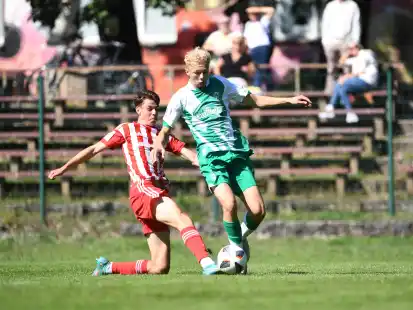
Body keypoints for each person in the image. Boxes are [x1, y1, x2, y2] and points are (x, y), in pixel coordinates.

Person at [152, 47, 311, 273]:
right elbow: (165, 130)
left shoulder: (221, 84)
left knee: (258, 210)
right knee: (229, 204)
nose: (201, 77)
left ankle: (239, 238)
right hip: (211, 159)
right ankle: (236, 248)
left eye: (204, 72)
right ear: (187, 71)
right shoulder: (181, 98)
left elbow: (254, 100)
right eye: (196, 72)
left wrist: (289, 100)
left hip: (236, 154)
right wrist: (158, 145)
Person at [48, 90, 221, 276]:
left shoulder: (161, 136)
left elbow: (192, 156)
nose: (154, 113)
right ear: (138, 110)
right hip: (143, 190)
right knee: (182, 219)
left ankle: (108, 267)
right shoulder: (126, 129)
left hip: (156, 192)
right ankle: (207, 263)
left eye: (156, 109)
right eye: (150, 109)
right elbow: (94, 149)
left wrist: (214, 165)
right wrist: (65, 168)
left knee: (159, 267)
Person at [319, 43, 378, 123]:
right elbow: (341, 63)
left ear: (357, 47)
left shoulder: (365, 54)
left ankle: (332, 108)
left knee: (341, 82)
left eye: (351, 48)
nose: (350, 50)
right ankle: (348, 113)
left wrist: (345, 77)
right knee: (341, 87)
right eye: (349, 49)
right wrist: (347, 53)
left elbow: (359, 72)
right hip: (358, 82)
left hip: (367, 82)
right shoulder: (356, 58)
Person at [321, 0, 361, 94]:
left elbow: (356, 24)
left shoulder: (352, 5)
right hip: (330, 41)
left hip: (346, 42)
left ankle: (346, 91)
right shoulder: (330, 6)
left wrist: (355, 41)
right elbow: (325, 24)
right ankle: (330, 92)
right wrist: (324, 40)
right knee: (331, 67)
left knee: (347, 67)